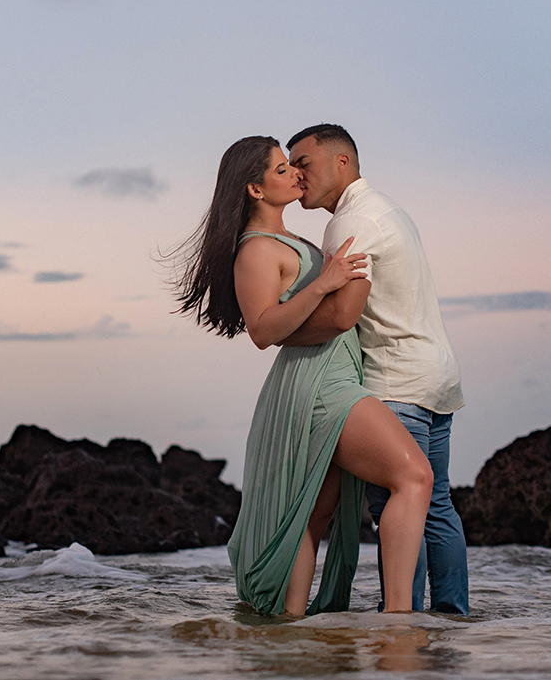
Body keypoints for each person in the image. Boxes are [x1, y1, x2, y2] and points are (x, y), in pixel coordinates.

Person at [170, 135, 433, 616]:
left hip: (336, 374)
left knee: (313, 516)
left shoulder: (296, 241)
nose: (295, 173)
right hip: (317, 387)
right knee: (414, 476)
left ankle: (288, 630)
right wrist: (325, 285)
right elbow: (263, 330)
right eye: (281, 169)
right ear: (254, 189)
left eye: (294, 165)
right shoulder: (255, 251)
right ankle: (400, 621)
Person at [281, 123, 470, 615]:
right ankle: (450, 620)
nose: (297, 175)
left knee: (397, 507)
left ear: (342, 161)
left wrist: (278, 332)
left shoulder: (350, 222)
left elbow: (342, 315)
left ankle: (401, 627)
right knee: (437, 507)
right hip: (435, 375)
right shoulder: (388, 209)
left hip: (395, 378)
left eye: (304, 162)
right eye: (291, 166)